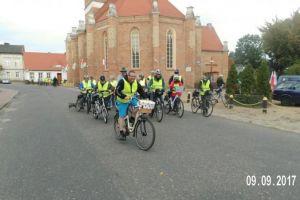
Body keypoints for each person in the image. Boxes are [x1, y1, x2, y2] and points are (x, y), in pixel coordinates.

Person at [115, 70, 147, 140]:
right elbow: (117, 91)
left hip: (131, 98)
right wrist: (124, 96)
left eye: (134, 76)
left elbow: (141, 91)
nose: (133, 78)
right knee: (122, 115)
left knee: (139, 106)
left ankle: (132, 117)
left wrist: (146, 98)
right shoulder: (122, 81)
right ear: (128, 76)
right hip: (122, 100)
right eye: (131, 76)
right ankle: (121, 131)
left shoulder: (136, 82)